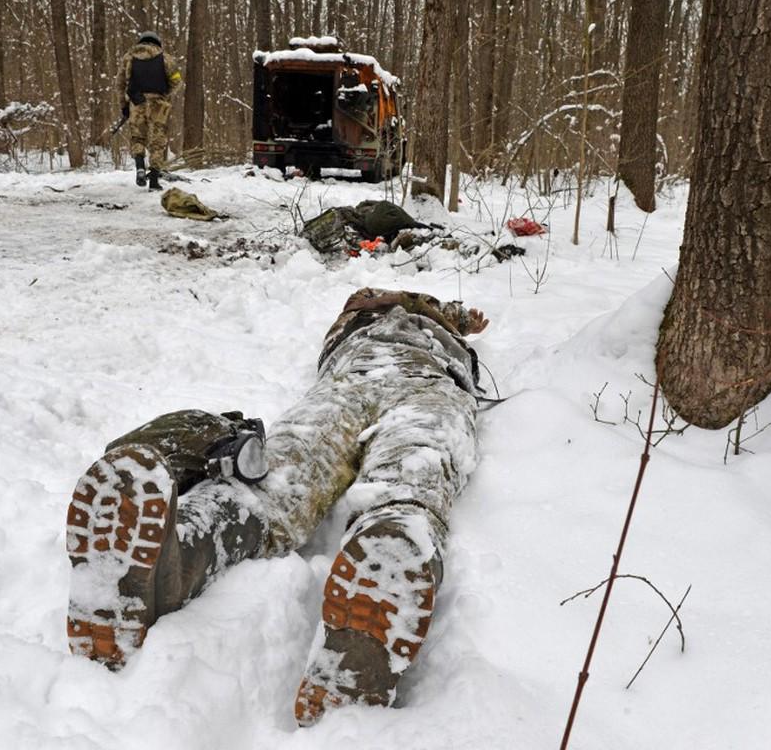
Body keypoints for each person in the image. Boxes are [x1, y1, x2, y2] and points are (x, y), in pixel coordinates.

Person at [65, 288, 490, 726]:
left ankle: (380, 572)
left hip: (393, 383)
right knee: (307, 475)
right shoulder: (376, 308)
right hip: (378, 378)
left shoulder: (430, 321)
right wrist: (441, 317)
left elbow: (446, 311)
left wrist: (458, 318)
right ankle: (173, 559)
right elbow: (371, 298)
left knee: (317, 479)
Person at [117, 31, 181, 191]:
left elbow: (119, 84)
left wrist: (124, 106)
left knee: (138, 138)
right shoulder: (166, 58)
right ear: (157, 42)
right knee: (157, 142)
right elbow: (177, 81)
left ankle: (139, 166)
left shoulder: (128, 57)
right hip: (159, 104)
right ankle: (153, 181)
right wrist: (164, 94)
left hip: (136, 102)